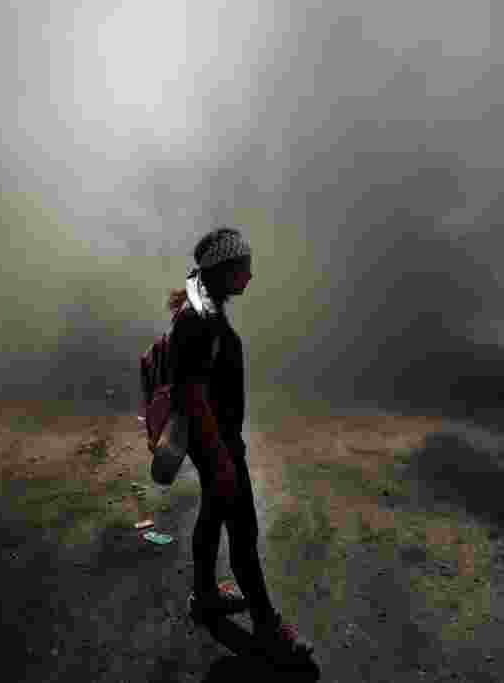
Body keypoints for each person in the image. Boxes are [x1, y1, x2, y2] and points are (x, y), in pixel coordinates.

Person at [168, 227, 313, 656]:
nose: (250, 275)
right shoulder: (200, 320)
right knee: (243, 530)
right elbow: (192, 395)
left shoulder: (203, 304)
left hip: (212, 440)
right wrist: (222, 458)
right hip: (217, 443)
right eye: (244, 267)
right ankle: (267, 626)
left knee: (212, 516)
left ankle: (206, 596)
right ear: (225, 270)